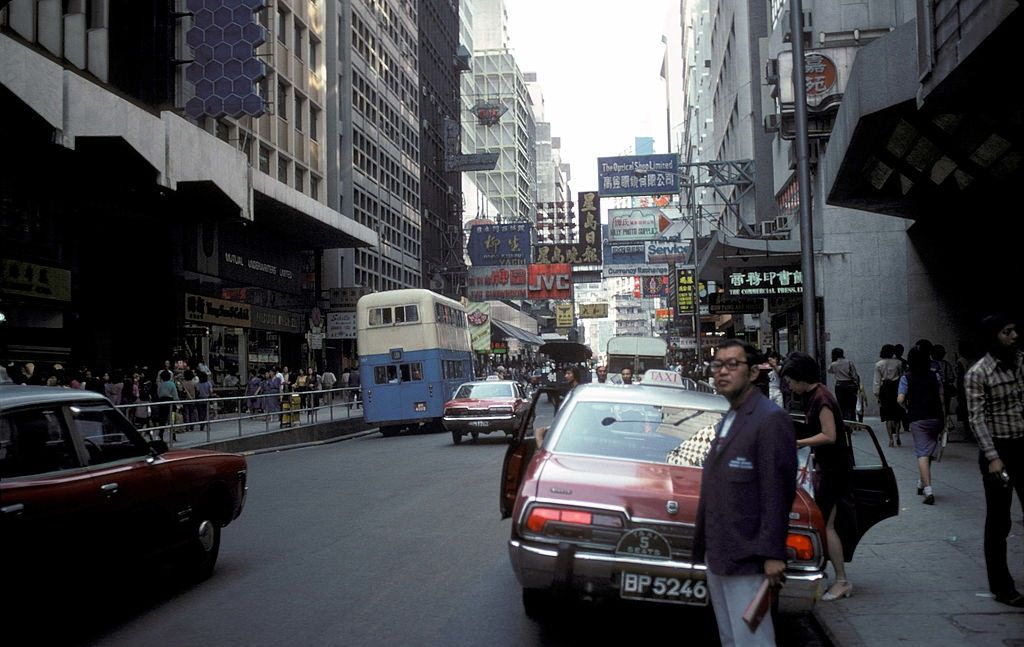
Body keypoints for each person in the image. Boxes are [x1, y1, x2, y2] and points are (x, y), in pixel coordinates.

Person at [694, 340, 796, 646]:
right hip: (720, 554)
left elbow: (778, 491)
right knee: (731, 639)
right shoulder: (730, 417)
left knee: (753, 640)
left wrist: (773, 553)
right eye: (717, 365)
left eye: (732, 365)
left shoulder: (769, 419)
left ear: (753, 373)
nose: (722, 372)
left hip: (749, 556)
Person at [781, 351, 854, 602]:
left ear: (801, 378)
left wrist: (798, 442)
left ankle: (842, 580)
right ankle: (825, 573)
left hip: (834, 469)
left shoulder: (821, 398)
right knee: (823, 523)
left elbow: (829, 435)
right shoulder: (814, 394)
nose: (789, 385)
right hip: (829, 466)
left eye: (790, 380)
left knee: (825, 524)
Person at [964, 314, 1024, 608]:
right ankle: (1002, 587)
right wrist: (993, 457)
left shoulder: (1021, 361)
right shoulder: (979, 373)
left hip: (1023, 443)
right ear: (993, 337)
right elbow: (977, 419)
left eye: (1014, 330)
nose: (1014, 336)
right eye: (1007, 331)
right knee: (1000, 522)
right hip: (999, 451)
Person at [898, 347, 945, 505]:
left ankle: (928, 490)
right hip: (936, 417)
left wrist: (906, 407)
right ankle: (921, 482)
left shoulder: (907, 377)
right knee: (929, 449)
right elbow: (941, 398)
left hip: (917, 417)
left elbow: (900, 399)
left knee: (922, 452)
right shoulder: (935, 376)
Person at [874, 344, 904, 447]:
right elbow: (901, 376)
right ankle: (898, 436)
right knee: (897, 414)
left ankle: (890, 438)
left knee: (887, 416)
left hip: (885, 389)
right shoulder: (898, 363)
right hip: (896, 387)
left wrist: (877, 394)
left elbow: (877, 381)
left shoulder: (878, 364)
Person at [827, 347, 860, 423]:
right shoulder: (849, 362)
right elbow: (854, 375)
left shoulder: (833, 364)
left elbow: (829, 370)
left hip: (839, 385)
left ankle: (843, 422)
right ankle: (853, 421)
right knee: (851, 405)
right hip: (850, 385)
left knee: (841, 405)